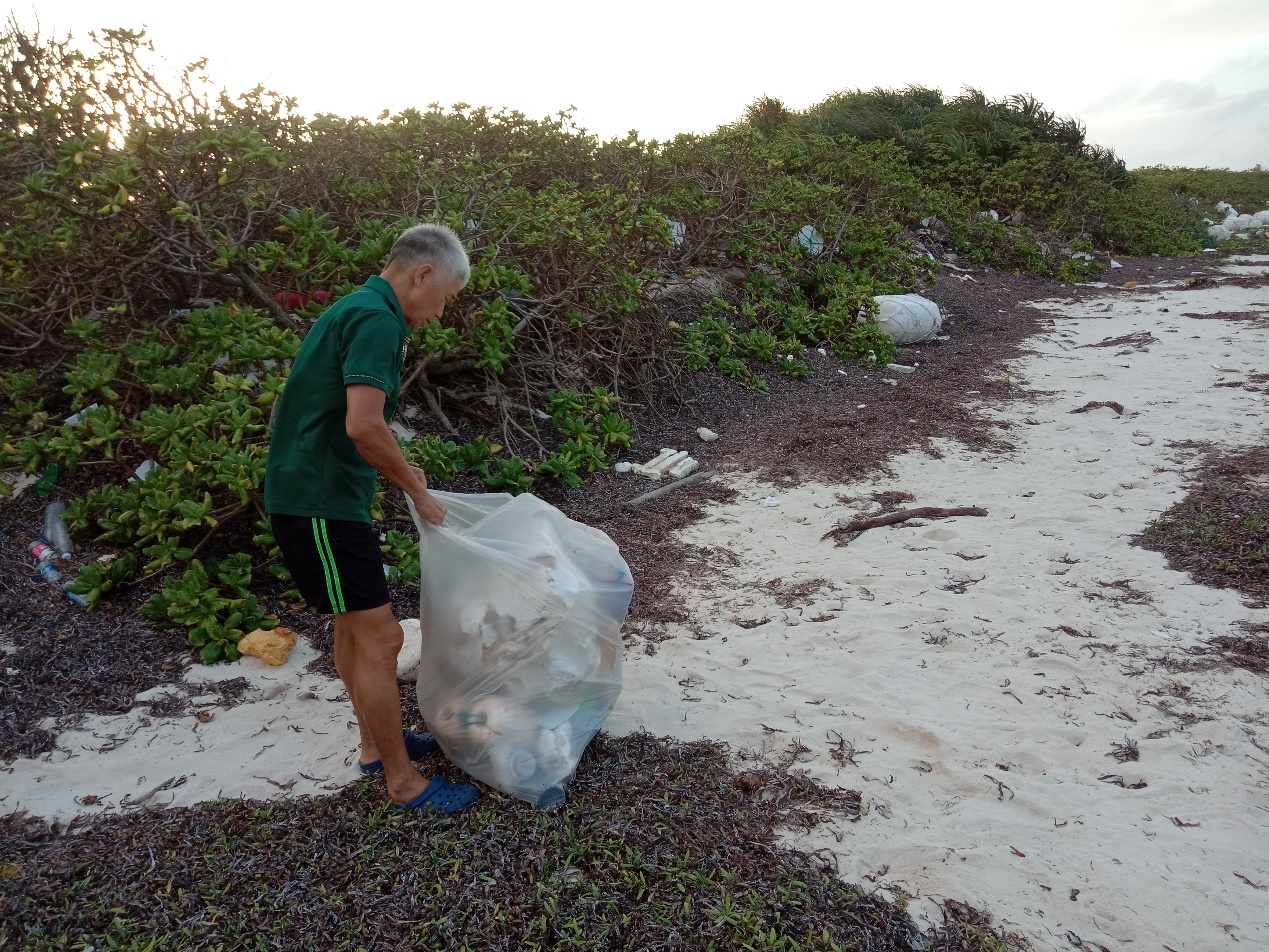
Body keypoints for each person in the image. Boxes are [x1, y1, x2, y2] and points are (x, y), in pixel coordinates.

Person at [264, 223, 479, 813]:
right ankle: (403, 782)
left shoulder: (356, 307)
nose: (440, 313)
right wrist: (417, 489)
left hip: (319, 495)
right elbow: (364, 425)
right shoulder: (377, 320)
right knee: (382, 637)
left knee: (352, 629)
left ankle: (372, 747)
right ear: (423, 275)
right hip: (319, 501)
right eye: (446, 299)